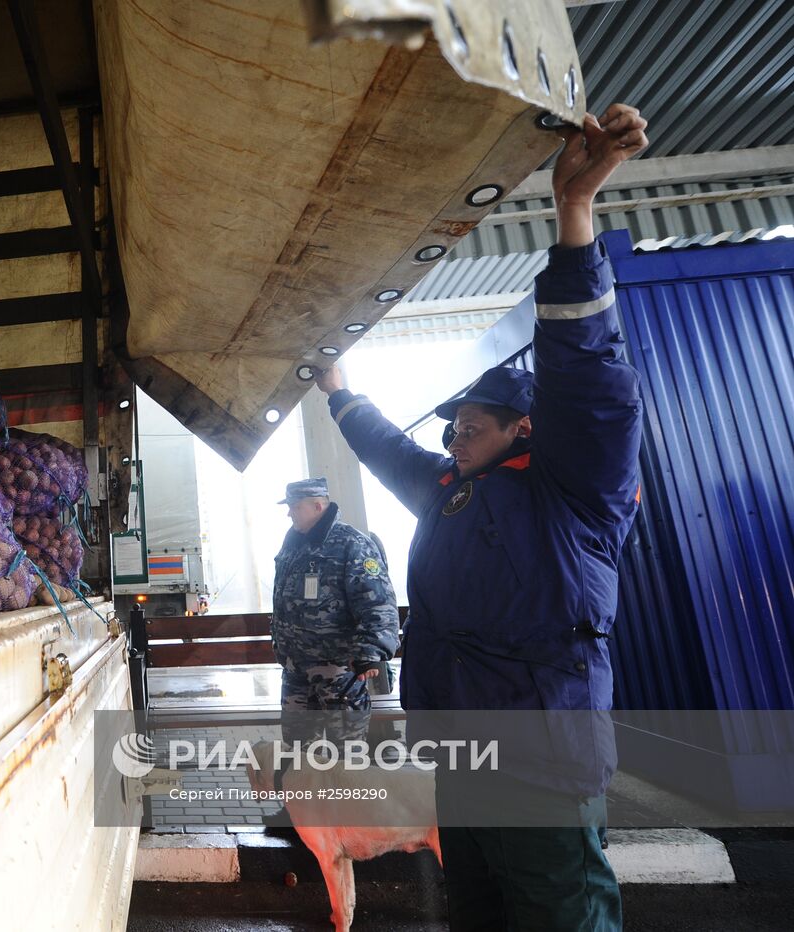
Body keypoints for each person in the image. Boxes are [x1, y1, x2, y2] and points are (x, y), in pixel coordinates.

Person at [316, 103, 648, 930]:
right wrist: (340, 392)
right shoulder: (448, 490)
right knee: (482, 912)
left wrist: (574, 215)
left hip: (541, 766)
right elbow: (389, 448)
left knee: (559, 913)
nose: (456, 442)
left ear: (522, 429)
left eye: (472, 430)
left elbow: (593, 389)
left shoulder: (578, 492)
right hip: (461, 762)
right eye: (454, 432)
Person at [269, 477, 400, 749]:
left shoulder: (352, 544)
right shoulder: (292, 544)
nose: (289, 512)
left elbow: (378, 603)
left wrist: (369, 653)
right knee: (298, 755)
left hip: (338, 672)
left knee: (346, 757)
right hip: (296, 668)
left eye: (295, 506)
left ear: (318, 506)